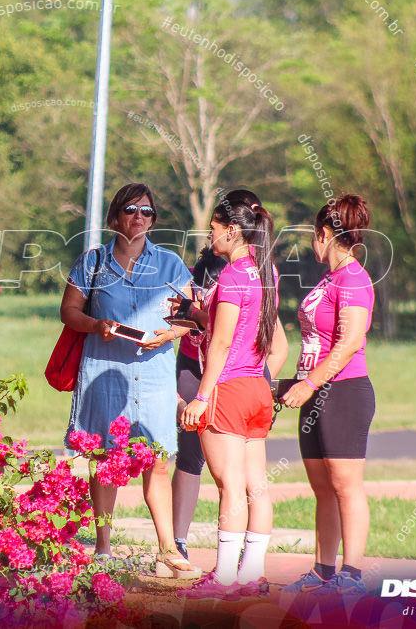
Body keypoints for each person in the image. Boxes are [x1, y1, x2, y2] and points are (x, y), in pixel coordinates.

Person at [60, 183, 200, 579]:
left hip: (154, 374)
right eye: (131, 210)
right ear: (114, 217)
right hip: (104, 370)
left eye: (147, 212)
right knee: (105, 459)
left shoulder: (172, 263)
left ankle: (169, 549)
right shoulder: (92, 262)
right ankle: (103, 549)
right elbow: (68, 311)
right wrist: (95, 324)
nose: (139, 217)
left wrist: (168, 335)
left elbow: (190, 319)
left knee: (157, 460)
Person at [172, 190, 288, 560]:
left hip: (229, 388)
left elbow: (220, 344)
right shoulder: (266, 270)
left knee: (231, 487)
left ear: (233, 230)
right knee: (257, 487)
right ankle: (251, 576)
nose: (210, 237)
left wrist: (201, 397)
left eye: (215, 228)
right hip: (257, 386)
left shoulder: (234, 275)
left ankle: (224, 578)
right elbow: (254, 333)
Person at [280, 194, 376, 596]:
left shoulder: (354, 278)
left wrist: (309, 383)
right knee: (322, 488)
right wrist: (295, 382)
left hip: (344, 392)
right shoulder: (329, 279)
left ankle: (351, 574)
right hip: (315, 389)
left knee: (345, 485)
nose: (313, 245)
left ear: (323, 234)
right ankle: (322, 570)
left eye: (313, 237)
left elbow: (351, 341)